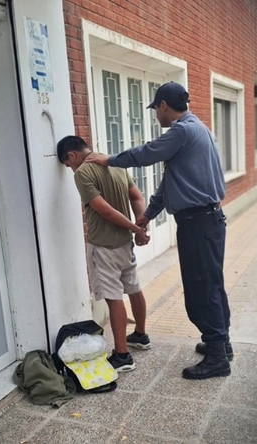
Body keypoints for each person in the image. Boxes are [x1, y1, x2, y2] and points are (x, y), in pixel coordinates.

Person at [85, 81, 232, 380]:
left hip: (198, 223)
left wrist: (110, 160)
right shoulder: (199, 129)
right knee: (212, 284)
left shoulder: (181, 130)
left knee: (202, 289)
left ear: (164, 106)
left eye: (156, 110)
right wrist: (148, 215)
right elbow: (171, 183)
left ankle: (218, 356)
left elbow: (146, 154)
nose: (156, 116)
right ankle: (221, 344)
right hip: (207, 221)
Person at [57, 135, 152, 373]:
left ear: (71, 155)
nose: (71, 170)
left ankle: (122, 355)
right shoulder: (115, 162)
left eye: (68, 166)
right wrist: (141, 226)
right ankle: (140, 335)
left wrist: (135, 228)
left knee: (113, 297)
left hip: (103, 246)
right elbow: (137, 197)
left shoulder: (83, 173)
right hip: (125, 244)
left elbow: (105, 211)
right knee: (133, 288)